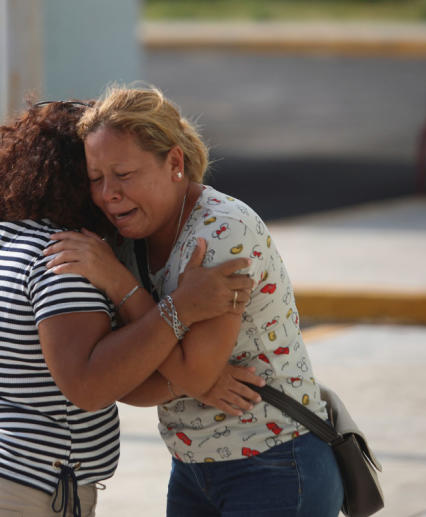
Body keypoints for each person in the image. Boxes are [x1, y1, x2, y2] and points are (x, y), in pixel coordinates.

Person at [0, 100, 258, 517]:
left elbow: (101, 369)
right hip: (22, 492)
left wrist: (188, 379)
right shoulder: (63, 260)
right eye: (98, 175)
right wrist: (181, 312)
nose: (110, 192)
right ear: (76, 177)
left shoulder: (4, 231)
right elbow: (89, 385)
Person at [46, 85, 344, 516]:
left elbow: (193, 369)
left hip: (275, 463)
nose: (107, 193)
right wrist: (175, 364)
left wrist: (122, 286)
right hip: (193, 469)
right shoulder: (130, 239)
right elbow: (121, 374)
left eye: (124, 175)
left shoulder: (222, 234)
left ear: (174, 163)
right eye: (96, 178)